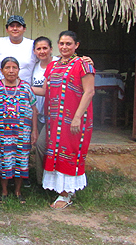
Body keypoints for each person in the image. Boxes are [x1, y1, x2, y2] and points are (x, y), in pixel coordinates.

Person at [33, 31, 95, 209]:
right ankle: (59, 187)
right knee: (50, 149)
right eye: (62, 43)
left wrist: (76, 117)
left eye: (69, 44)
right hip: (54, 121)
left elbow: (89, 92)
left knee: (69, 153)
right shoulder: (53, 66)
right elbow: (44, 90)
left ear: (76, 45)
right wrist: (19, 85)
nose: (65, 47)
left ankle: (66, 194)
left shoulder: (83, 64)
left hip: (74, 120)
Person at [0, 57, 38, 204]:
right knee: (2, 160)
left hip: (22, 133)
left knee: (21, 160)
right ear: (1, 71)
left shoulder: (26, 87)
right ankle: (4, 191)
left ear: (19, 70)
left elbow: (34, 109)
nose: (11, 71)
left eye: (14, 67)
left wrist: (34, 131)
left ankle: (18, 191)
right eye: (7, 67)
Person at [31, 36, 59, 185]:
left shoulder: (57, 64)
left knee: (43, 147)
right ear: (34, 51)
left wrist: (23, 88)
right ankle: (43, 182)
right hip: (40, 114)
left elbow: (47, 90)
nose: (42, 51)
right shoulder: (35, 66)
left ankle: (50, 182)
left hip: (54, 115)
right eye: (38, 48)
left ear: (51, 49)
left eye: (45, 48)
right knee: (40, 148)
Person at [0, 15, 36, 84]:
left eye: (18, 26)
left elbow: (44, 59)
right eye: (12, 26)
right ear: (7, 29)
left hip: (23, 92)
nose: (15, 28)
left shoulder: (32, 45)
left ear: (24, 29)